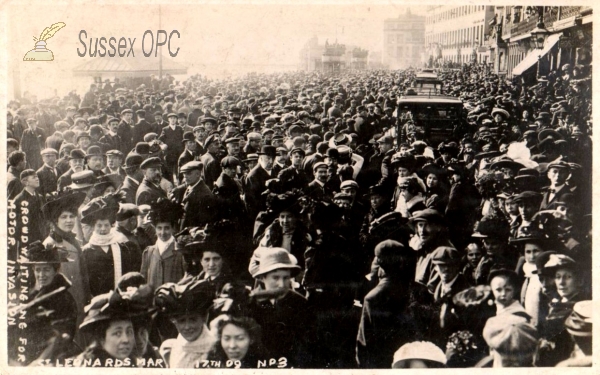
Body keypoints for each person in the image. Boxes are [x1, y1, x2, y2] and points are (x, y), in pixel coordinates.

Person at [356, 240, 431, 368]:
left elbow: (364, 344)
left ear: (379, 263)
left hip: (385, 364)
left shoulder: (372, 298)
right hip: (415, 361)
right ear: (402, 261)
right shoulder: (419, 289)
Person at [11, 241, 79, 366]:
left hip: (51, 356)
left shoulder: (64, 298)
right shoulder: (30, 294)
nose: (41, 275)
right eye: (38, 270)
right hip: (27, 351)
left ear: (55, 270)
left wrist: (40, 361)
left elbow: (63, 336)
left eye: (46, 270)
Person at [247, 247, 312, 367]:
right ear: (262, 278)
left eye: (286, 278)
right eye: (275, 277)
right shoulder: (250, 304)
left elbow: (307, 347)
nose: (281, 284)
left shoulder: (300, 304)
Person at [74, 284, 155, 367]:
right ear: (101, 338)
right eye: (117, 333)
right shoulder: (88, 366)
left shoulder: (135, 363)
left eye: (129, 332)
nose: (126, 340)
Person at [42, 190, 91, 322]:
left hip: (79, 299)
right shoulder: (50, 244)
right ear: (55, 220)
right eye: (64, 217)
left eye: (71, 216)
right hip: (62, 306)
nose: (69, 220)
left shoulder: (74, 240)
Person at [81, 193, 142, 297]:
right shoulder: (86, 251)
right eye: (99, 225)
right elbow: (84, 281)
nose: (103, 229)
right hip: (96, 298)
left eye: (106, 225)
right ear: (93, 227)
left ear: (111, 225)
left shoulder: (122, 248)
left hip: (117, 297)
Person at [155, 280, 218, 368]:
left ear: (204, 318)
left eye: (193, 320)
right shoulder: (170, 349)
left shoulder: (216, 351)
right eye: (181, 321)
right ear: (174, 321)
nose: (187, 327)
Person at [140, 198, 185, 288]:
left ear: (173, 228)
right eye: (159, 228)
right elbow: (143, 282)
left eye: (167, 228)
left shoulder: (180, 252)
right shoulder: (148, 252)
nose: (163, 232)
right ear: (155, 229)